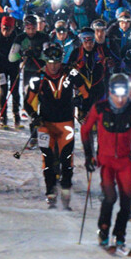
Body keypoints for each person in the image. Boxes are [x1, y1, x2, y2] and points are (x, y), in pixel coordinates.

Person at [81, 73, 131, 251]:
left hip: (125, 161)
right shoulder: (100, 108)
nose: (120, 100)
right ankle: (104, 230)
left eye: (123, 96)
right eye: (116, 95)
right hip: (106, 161)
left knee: (126, 200)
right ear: (110, 93)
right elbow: (85, 130)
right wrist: (89, 155)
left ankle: (120, 235)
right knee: (110, 197)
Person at [25, 45, 91, 209]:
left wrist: (80, 104)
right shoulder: (38, 77)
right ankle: (50, 193)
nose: (53, 66)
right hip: (45, 125)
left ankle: (66, 194)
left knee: (67, 160)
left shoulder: (71, 73)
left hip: (66, 124)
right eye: (50, 62)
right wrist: (34, 116)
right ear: (45, 62)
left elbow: (87, 94)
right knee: (47, 159)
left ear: (61, 61)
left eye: (56, 62)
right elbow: (27, 102)